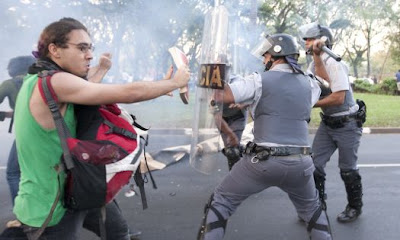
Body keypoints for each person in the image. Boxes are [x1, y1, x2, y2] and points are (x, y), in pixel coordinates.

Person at [13, 17, 189, 240]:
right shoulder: (55, 82)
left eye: (90, 48)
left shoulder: (41, 78)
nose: (89, 55)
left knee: (117, 231)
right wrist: (174, 82)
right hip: (51, 205)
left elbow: (86, 90)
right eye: (81, 48)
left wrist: (159, 87)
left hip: (79, 183)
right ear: (55, 50)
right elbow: (127, 92)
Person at [197, 33, 332, 240]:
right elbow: (326, 83)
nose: (263, 59)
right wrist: (317, 55)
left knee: (221, 202)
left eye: (266, 55)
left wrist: (213, 65)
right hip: (301, 164)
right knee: (314, 211)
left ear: (276, 54)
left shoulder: (258, 80)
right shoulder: (310, 83)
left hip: (261, 163)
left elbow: (220, 95)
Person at [301, 23, 364, 223]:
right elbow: (323, 84)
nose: (306, 43)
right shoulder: (315, 63)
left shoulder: (336, 63)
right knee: (314, 164)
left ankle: (354, 207)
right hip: (328, 123)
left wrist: (309, 104)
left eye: (309, 39)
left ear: (322, 40)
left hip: (347, 124)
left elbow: (337, 98)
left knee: (348, 169)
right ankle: (318, 205)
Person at [0, 55, 35, 205]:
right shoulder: (39, 81)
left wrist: (3, 115)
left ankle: (21, 213)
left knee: (13, 173)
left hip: (26, 133)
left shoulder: (9, 84)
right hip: (47, 132)